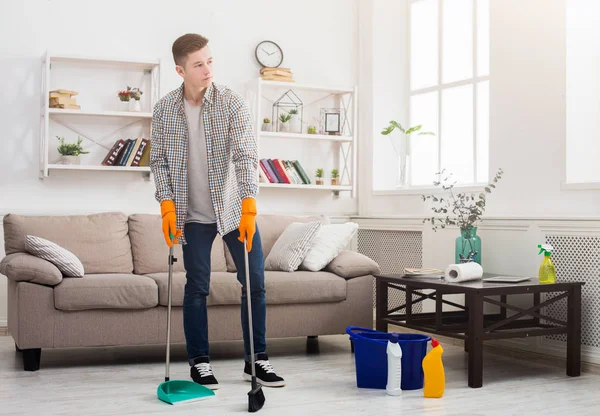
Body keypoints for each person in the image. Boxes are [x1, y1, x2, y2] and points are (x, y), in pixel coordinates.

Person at [149, 33, 285, 390]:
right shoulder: (164, 109)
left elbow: (244, 156)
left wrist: (249, 205)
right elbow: (159, 162)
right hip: (190, 215)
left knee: (254, 282)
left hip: (232, 211)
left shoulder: (231, 103)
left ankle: (257, 360)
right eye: (198, 64)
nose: (207, 69)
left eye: (210, 61)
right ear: (180, 69)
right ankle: (200, 363)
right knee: (197, 287)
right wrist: (165, 204)